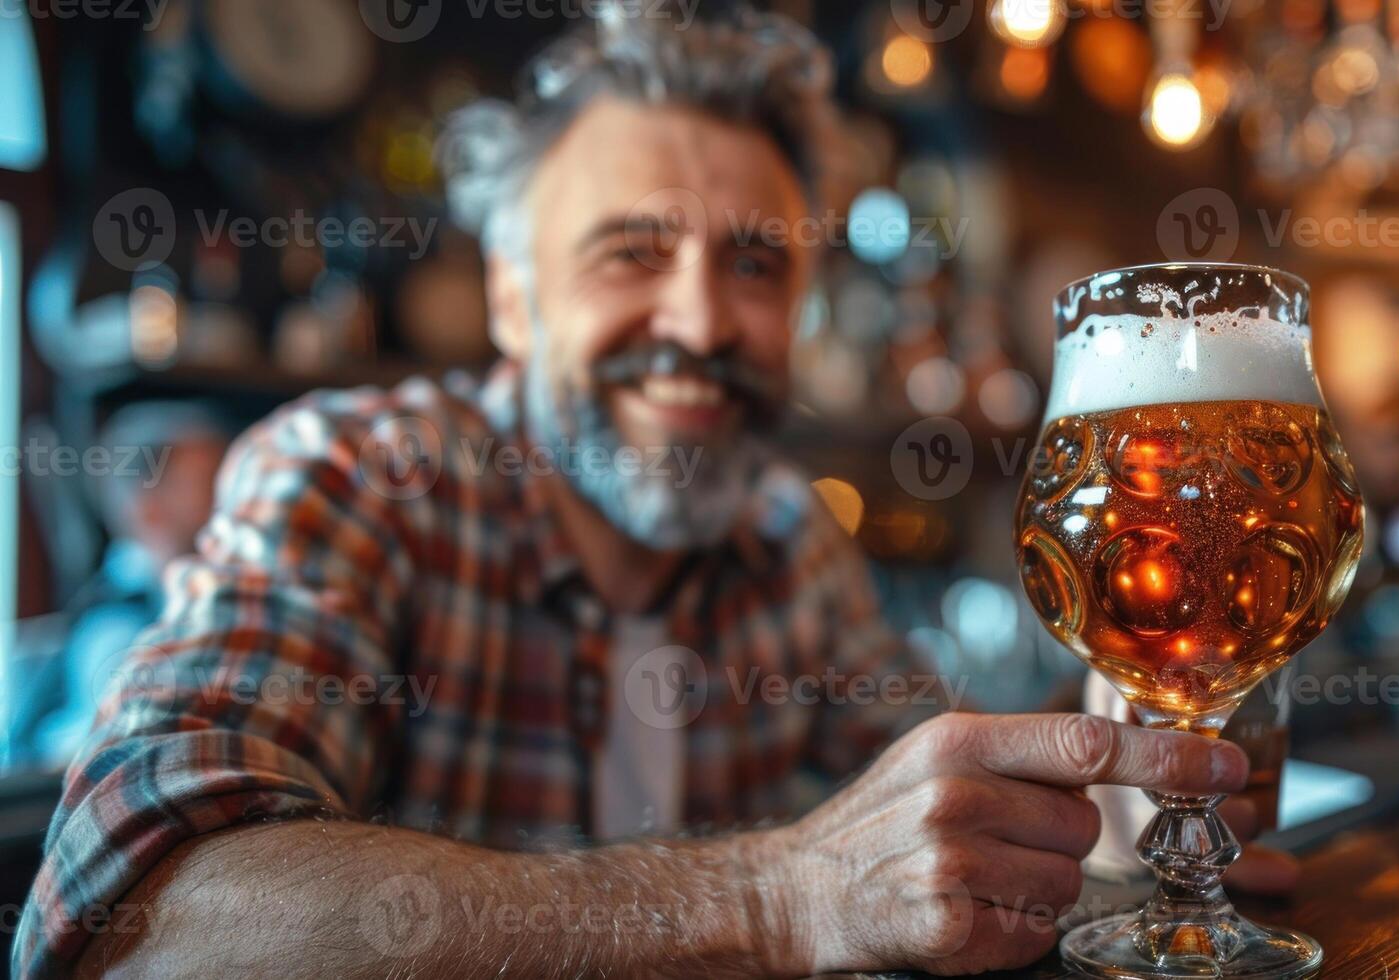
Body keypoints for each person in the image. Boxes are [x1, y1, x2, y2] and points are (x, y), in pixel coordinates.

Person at [14, 9, 1286, 978]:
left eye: (754, 265)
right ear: (512, 296)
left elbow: (920, 840)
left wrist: (1097, 840)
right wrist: (778, 894)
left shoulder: (786, 538)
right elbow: (128, 912)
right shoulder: (360, 472)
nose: (700, 321)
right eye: (633, 251)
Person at [24, 402, 231, 765]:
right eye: (208, 483)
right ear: (148, 509)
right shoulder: (117, 627)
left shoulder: (199, 596)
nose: (231, 502)